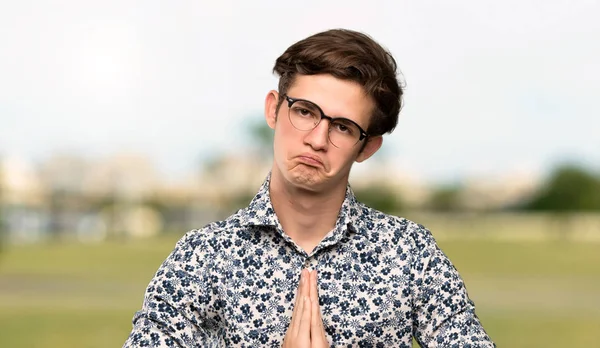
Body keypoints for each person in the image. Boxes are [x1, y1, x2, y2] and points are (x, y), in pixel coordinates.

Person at [123, 29, 495, 347]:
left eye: (343, 127)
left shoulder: (409, 254)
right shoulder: (201, 258)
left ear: (367, 148)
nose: (318, 139)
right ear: (273, 109)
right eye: (305, 111)